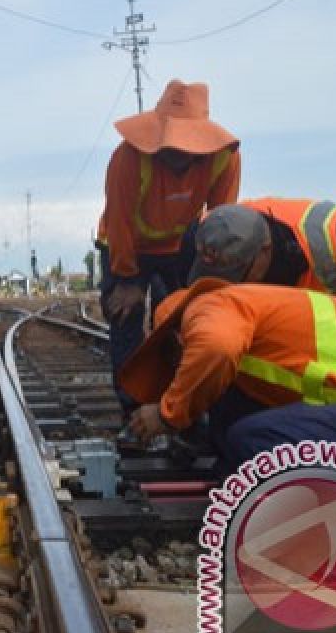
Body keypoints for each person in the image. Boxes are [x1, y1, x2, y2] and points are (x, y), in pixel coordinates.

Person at [120, 279, 336, 493]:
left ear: (177, 340)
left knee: (253, 437)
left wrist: (167, 415)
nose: (176, 375)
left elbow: (217, 347)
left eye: (173, 366)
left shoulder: (212, 306)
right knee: (242, 437)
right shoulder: (256, 311)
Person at [97, 79, 241, 414]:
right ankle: (132, 408)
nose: (175, 152)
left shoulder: (225, 160)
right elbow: (119, 222)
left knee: (184, 317)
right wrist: (127, 279)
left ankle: (182, 402)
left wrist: (209, 282)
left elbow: (219, 225)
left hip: (179, 245)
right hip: (126, 245)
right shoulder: (128, 160)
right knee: (126, 315)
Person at [190, 199, 336, 328]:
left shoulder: (329, 235)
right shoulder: (219, 227)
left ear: (264, 252)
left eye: (237, 275)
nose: (230, 286)